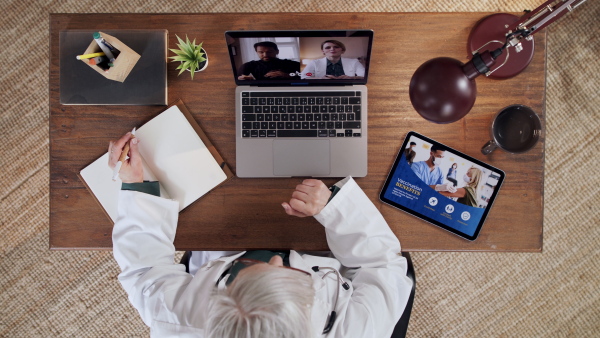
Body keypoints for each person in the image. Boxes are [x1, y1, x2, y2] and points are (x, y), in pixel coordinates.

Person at [108, 132, 412, 337]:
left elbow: (143, 269)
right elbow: (382, 265)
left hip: (223, 244)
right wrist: (332, 208)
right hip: (327, 256)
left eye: (252, 272)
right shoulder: (361, 329)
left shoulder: (175, 320)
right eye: (289, 275)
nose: (276, 261)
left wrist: (136, 186)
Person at [301, 40, 365, 79]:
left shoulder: (354, 62)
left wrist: (351, 78)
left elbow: (364, 75)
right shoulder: (314, 62)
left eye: (336, 47)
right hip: (321, 88)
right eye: (328, 47)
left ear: (342, 50)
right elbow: (304, 76)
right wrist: (321, 78)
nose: (332, 49)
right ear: (323, 51)